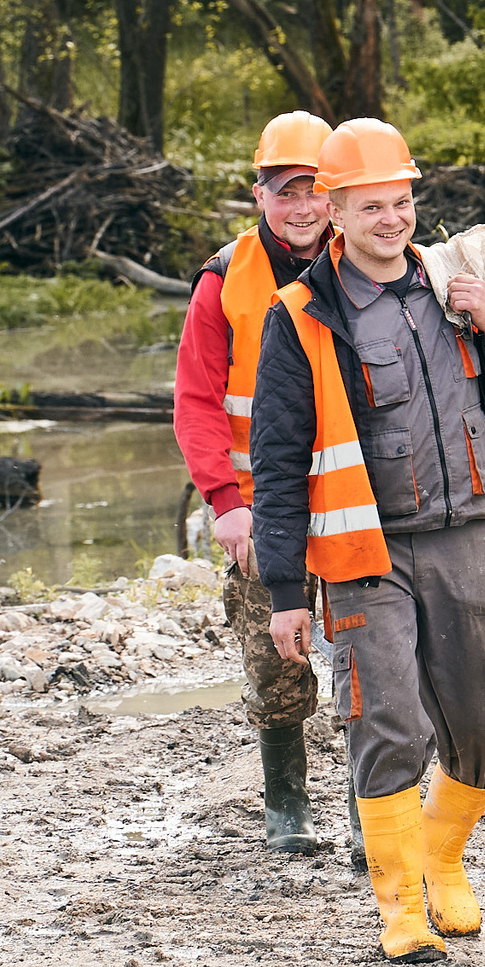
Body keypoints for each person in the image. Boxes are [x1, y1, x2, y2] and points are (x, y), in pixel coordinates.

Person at [249, 118, 485, 962]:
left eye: (404, 199)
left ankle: (444, 855)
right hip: (363, 553)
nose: (393, 218)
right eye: (373, 204)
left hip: (467, 537)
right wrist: (283, 593)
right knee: (389, 722)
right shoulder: (303, 315)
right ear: (335, 210)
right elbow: (276, 463)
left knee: (481, 722)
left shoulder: (454, 284)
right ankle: (400, 908)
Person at [171, 110, 343, 855]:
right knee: (275, 654)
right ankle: (287, 805)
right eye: (285, 190)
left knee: (373, 653)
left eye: (313, 188)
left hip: (354, 499)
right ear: (259, 194)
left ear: (334, 192)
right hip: (260, 509)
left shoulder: (366, 257)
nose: (301, 206)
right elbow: (196, 400)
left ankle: (376, 804)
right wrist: (224, 504)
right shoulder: (222, 280)